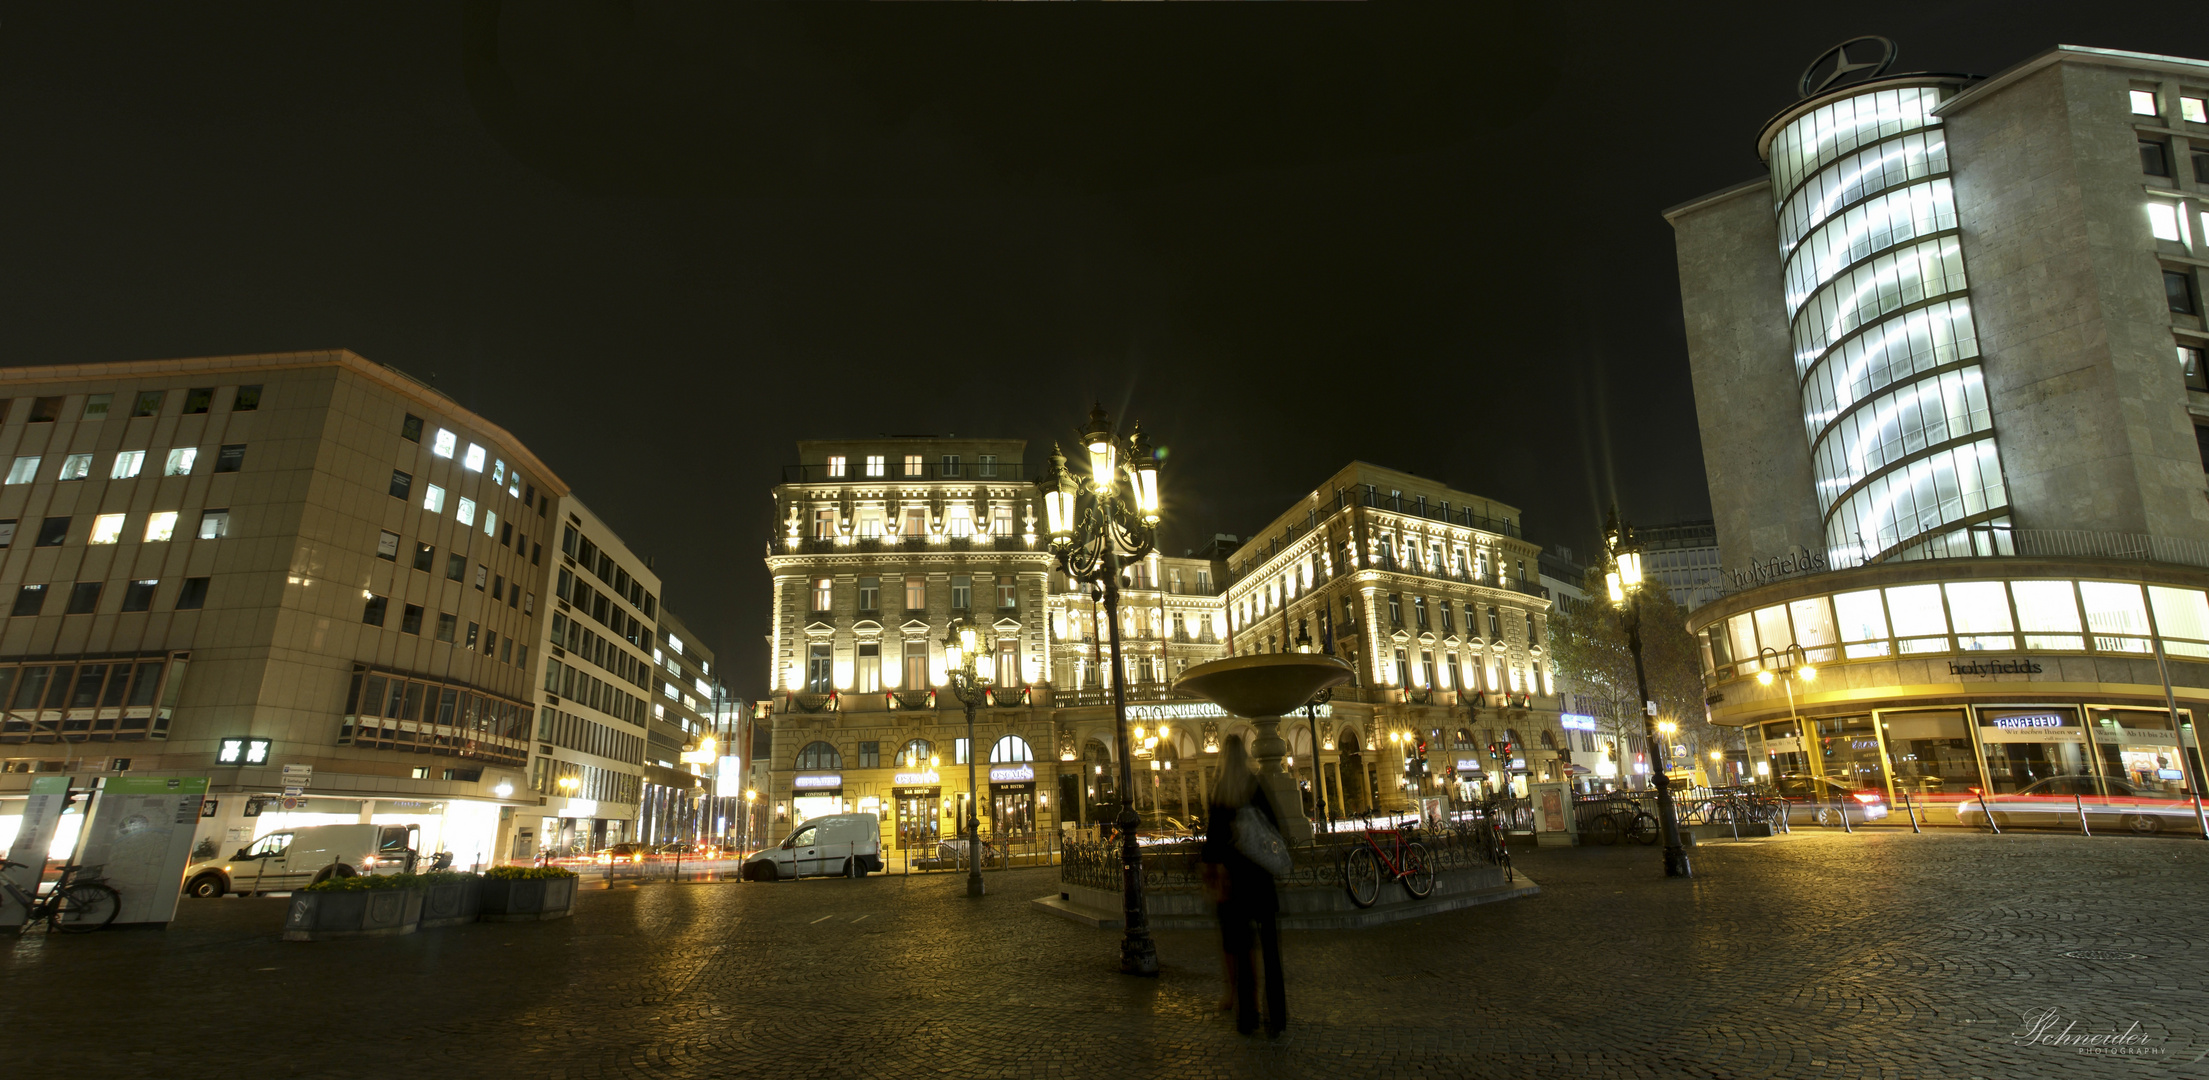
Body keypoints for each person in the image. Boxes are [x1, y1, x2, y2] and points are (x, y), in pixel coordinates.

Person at [1201, 735, 1288, 1036]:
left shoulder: (1220, 792)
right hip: (1261, 879)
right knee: (1271, 953)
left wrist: (1215, 870)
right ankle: (1277, 1017)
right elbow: (1276, 829)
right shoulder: (1255, 785)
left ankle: (1247, 1017)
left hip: (1236, 883)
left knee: (1242, 947)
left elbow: (1211, 845)